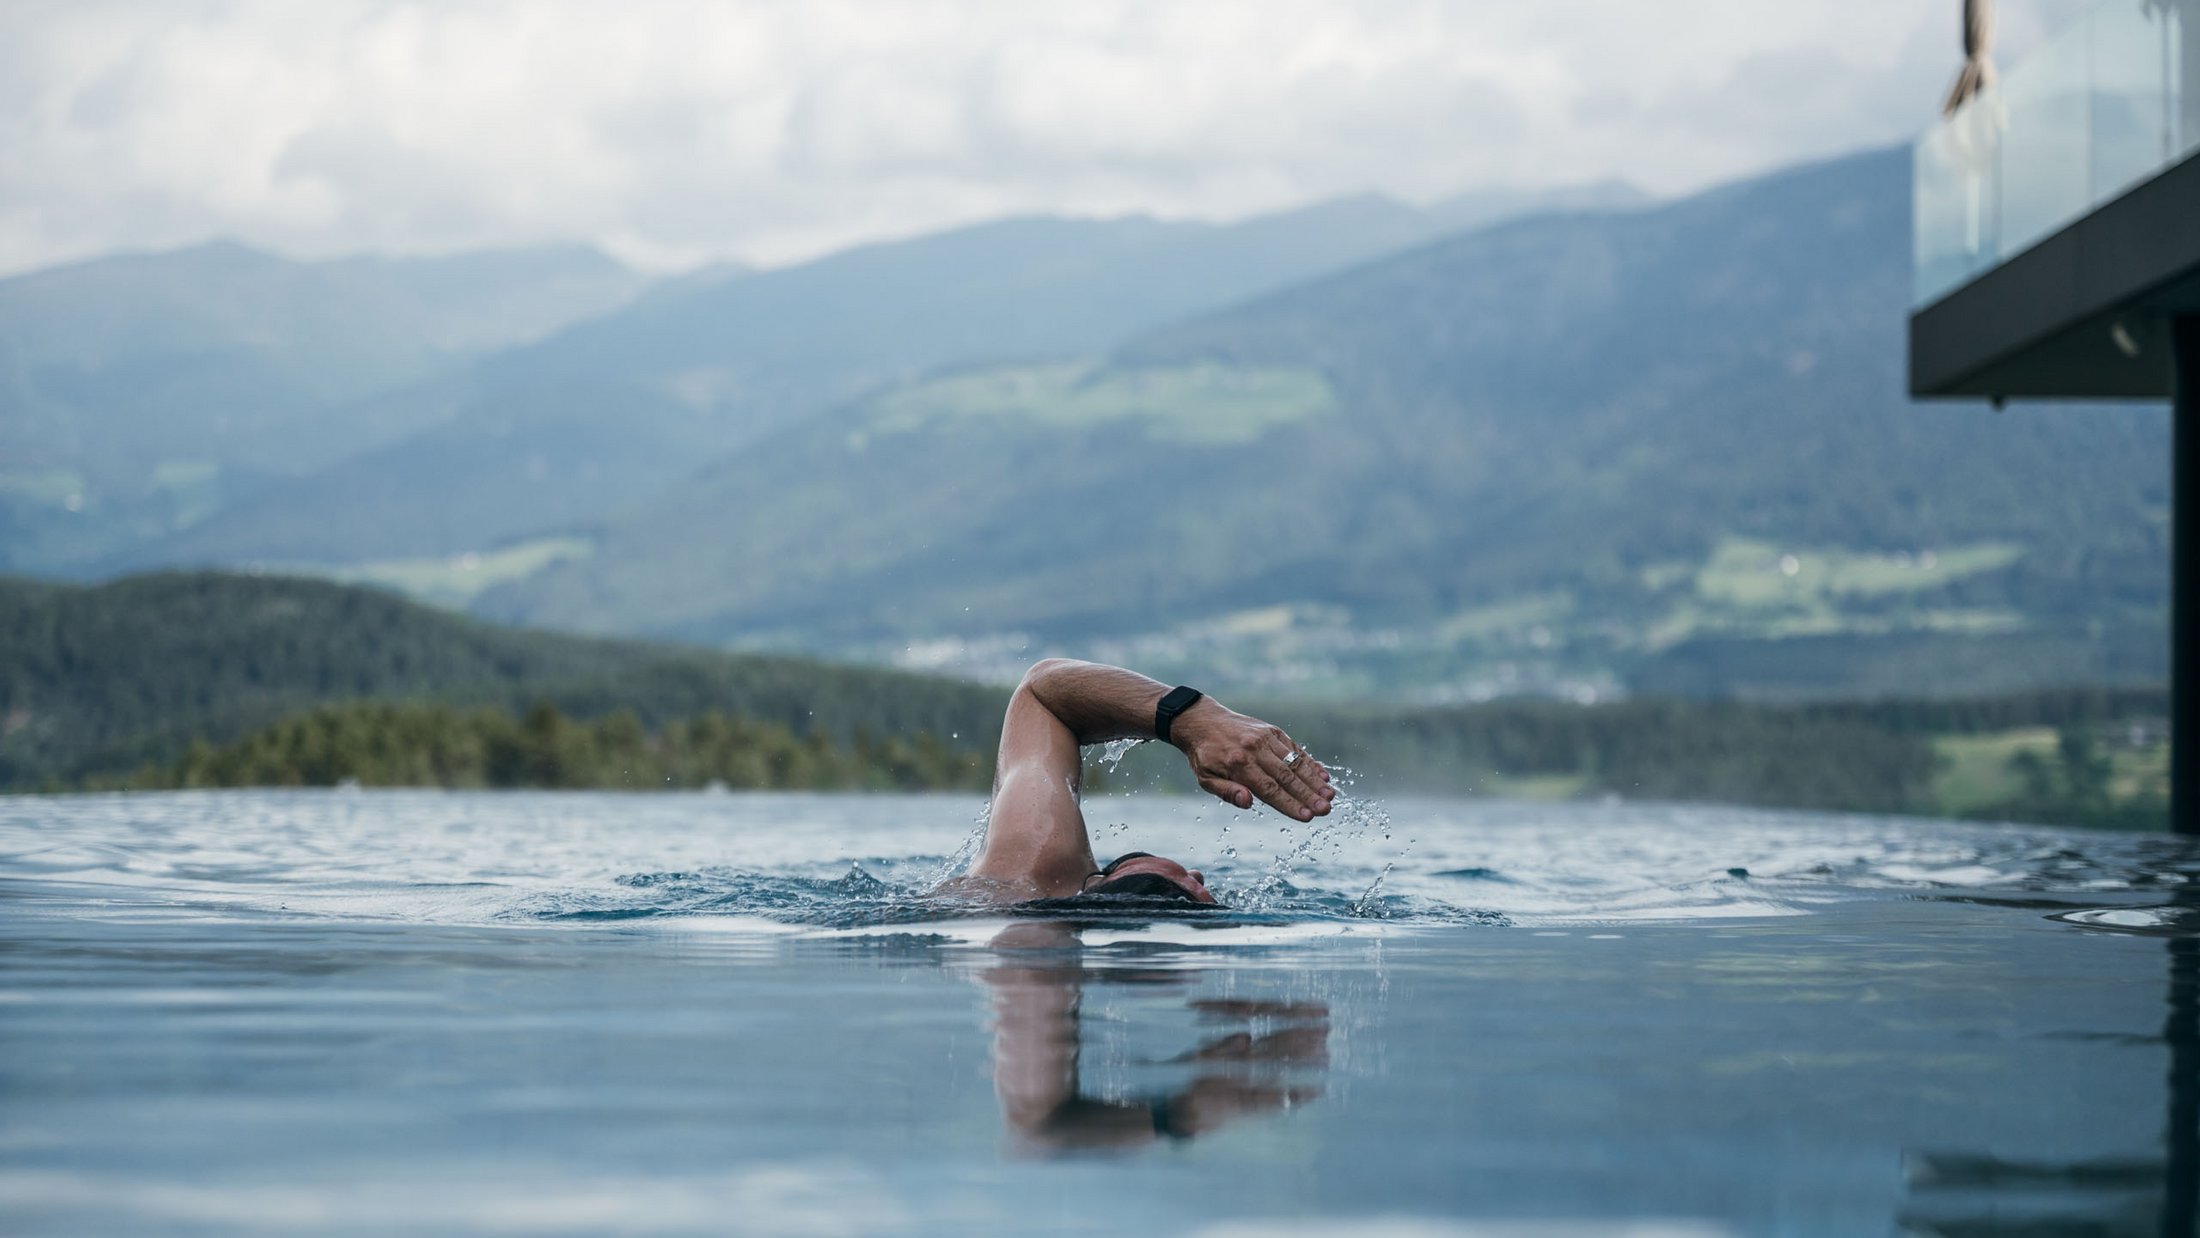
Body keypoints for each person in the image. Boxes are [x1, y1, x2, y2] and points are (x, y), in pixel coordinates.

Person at [935, 658, 1335, 907]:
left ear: (1106, 883)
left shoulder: (1030, 871)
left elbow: (1041, 693)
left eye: (1189, 891)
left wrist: (1190, 717)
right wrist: (1195, 719)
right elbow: (1043, 693)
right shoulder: (1034, 889)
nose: (1198, 876)